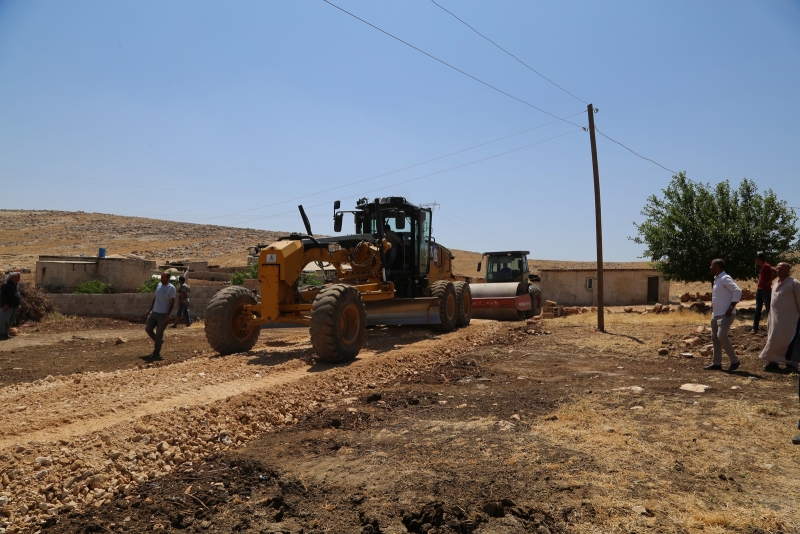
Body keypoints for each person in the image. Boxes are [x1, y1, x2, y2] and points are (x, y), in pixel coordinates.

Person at [758, 263, 800, 372]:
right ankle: (773, 362)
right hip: (774, 319)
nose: (777, 270)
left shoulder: (794, 283)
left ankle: (792, 365)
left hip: (789, 320)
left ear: (788, 270)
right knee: (773, 340)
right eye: (777, 268)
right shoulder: (776, 283)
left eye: (781, 268)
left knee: (789, 341)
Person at [704, 259, 742, 371]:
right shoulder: (717, 279)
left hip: (726, 314)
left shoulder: (725, 278)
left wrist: (731, 307)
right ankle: (717, 363)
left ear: (716, 266)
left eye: (711, 265)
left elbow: (738, 291)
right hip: (716, 313)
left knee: (721, 336)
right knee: (715, 338)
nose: (710, 267)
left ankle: (735, 360)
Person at [144, 272, 175, 358]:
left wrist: (168, 315)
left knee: (159, 333)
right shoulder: (158, 285)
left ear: (168, 278)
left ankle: (156, 352)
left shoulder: (171, 288)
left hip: (163, 314)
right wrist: (150, 310)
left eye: (164, 277)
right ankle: (159, 341)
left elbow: (172, 303)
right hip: (154, 312)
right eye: (161, 277)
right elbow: (155, 298)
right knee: (148, 329)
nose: (162, 279)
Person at [753, 252, 777, 333]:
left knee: (768, 310)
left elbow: (776, 271)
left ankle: (772, 327)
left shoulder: (766, 265)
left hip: (766, 290)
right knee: (757, 309)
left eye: (756, 259)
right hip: (760, 290)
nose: (755, 261)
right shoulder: (762, 267)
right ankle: (755, 327)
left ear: (758, 259)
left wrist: (770, 281)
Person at [0, 272, 22, 341]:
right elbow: (2, 295)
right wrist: (5, 304)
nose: (19, 279)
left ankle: (6, 333)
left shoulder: (15, 285)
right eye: (17, 277)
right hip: (7, 306)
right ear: (13, 277)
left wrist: (18, 303)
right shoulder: (6, 285)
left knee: (11, 320)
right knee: (4, 320)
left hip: (14, 306)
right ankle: (1, 334)